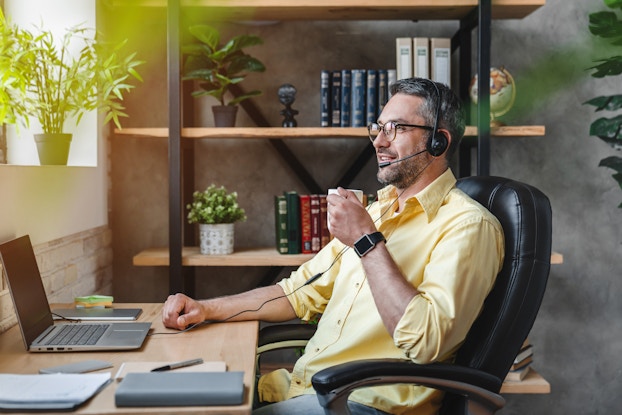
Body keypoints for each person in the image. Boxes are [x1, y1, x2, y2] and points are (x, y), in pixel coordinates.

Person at [162, 78, 505, 415]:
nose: (379, 142)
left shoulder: (468, 226)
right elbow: (297, 292)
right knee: (173, 400)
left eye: (395, 128)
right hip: (303, 391)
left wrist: (366, 241)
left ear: (437, 142)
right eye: (378, 128)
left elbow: (426, 342)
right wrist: (206, 309)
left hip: (362, 405)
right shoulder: (377, 212)